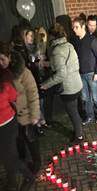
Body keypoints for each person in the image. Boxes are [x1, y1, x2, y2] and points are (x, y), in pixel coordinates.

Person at [0, 42, 38, 190]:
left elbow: (32, 93)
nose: (0, 63)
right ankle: (15, 181)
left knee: (27, 145)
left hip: (18, 118)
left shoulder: (20, 73)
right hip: (14, 118)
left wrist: (34, 115)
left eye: (2, 59)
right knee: (11, 154)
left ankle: (30, 172)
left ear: (9, 57)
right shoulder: (4, 73)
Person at [40, 23, 83, 143]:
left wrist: (45, 84)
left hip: (68, 87)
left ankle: (79, 136)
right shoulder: (69, 45)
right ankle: (79, 131)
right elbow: (68, 64)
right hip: (76, 83)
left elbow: (61, 74)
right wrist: (47, 64)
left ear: (52, 37)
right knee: (75, 111)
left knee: (73, 113)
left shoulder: (57, 50)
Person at [72, 16, 97, 125]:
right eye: (73, 27)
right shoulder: (76, 40)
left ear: (83, 27)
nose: (74, 29)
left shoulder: (92, 40)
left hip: (92, 73)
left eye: (76, 27)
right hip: (80, 73)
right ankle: (89, 115)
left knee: (95, 96)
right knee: (85, 97)